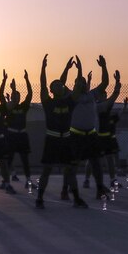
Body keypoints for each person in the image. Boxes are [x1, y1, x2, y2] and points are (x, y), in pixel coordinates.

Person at [35, 55, 87, 209]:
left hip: (66, 140)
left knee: (70, 170)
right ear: (51, 90)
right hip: (52, 139)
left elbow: (78, 86)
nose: (59, 86)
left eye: (60, 85)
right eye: (56, 85)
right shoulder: (47, 102)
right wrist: (43, 68)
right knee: (47, 170)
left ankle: (76, 198)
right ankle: (39, 198)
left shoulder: (69, 101)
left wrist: (79, 69)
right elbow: (42, 84)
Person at [66, 56, 114, 200]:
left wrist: (104, 66)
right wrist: (74, 70)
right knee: (74, 164)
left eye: (83, 82)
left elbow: (105, 82)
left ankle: (99, 188)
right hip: (76, 135)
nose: (81, 84)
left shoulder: (92, 94)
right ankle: (72, 188)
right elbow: (63, 83)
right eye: (78, 82)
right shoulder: (72, 96)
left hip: (91, 135)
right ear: (75, 85)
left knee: (96, 163)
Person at [1, 71, 34, 189]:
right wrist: (4, 81)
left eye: (17, 96)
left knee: (25, 160)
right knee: (9, 160)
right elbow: (1, 96)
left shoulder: (23, 107)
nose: (16, 98)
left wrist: (27, 79)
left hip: (22, 136)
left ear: (20, 98)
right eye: (14, 96)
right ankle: (6, 182)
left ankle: (28, 181)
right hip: (11, 136)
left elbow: (30, 93)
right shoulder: (8, 108)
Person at [86, 96, 127, 188]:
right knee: (92, 160)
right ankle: (87, 179)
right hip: (97, 139)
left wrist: (124, 106)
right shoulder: (96, 112)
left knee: (110, 159)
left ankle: (113, 180)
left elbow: (119, 113)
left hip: (108, 140)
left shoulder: (110, 115)